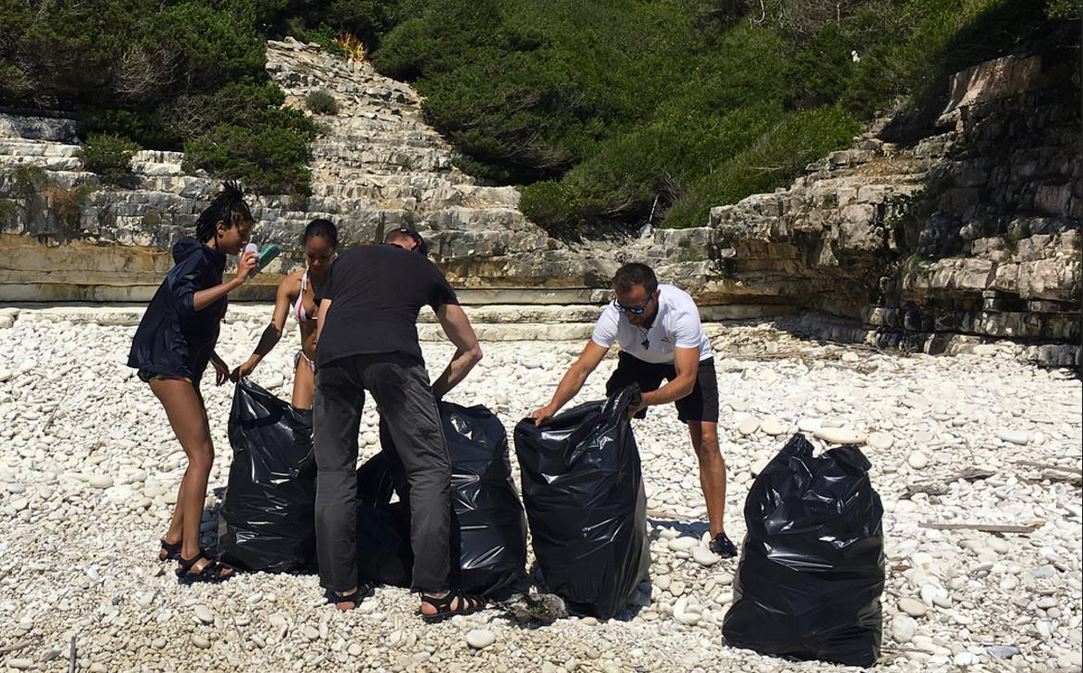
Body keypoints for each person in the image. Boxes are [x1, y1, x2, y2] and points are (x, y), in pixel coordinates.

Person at [312, 225, 486, 618]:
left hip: (333, 360)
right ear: (414, 247)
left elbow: (322, 330)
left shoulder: (347, 261)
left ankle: (342, 589)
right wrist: (432, 393)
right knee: (428, 469)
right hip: (394, 356)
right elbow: (470, 349)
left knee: (334, 471)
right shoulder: (421, 267)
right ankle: (436, 593)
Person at [530, 262, 738, 558]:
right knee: (612, 422)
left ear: (655, 296)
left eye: (637, 309)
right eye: (624, 307)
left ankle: (717, 531)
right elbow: (582, 367)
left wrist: (646, 399)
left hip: (689, 363)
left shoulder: (680, 311)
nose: (630, 315)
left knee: (706, 439)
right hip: (638, 358)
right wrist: (552, 406)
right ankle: (612, 507)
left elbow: (686, 382)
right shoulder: (615, 315)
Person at [127, 181, 258, 582]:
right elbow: (184, 302)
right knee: (202, 456)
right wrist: (237, 282)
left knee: (197, 455)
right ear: (221, 228)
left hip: (179, 360)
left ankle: (173, 539)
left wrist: (213, 356)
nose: (246, 240)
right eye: (242, 232)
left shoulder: (209, 262)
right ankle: (190, 557)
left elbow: (190, 318)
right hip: (168, 362)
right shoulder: (200, 261)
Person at [230, 219, 338, 409]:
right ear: (304, 248)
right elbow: (275, 329)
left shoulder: (343, 284)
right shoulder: (292, 285)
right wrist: (252, 361)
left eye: (324, 256)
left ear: (334, 250)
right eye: (311, 255)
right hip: (307, 361)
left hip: (335, 365)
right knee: (299, 425)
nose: (316, 262)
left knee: (331, 432)